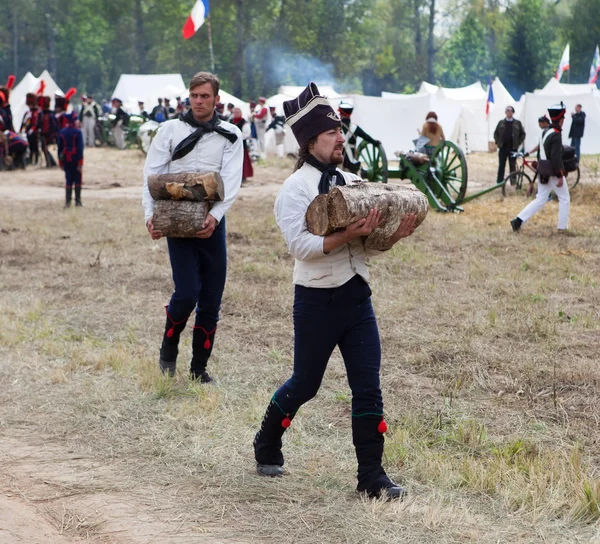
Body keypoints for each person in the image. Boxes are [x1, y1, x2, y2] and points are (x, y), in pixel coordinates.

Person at [252, 82, 417, 501]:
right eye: (333, 133)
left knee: (368, 386)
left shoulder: (353, 182)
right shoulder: (294, 191)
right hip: (316, 302)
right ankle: (267, 441)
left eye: (341, 130)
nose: (342, 137)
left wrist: (392, 234)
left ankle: (371, 477)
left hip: (356, 299)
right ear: (310, 143)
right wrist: (346, 234)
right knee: (305, 384)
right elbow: (301, 248)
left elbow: (368, 243)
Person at [142, 71, 243, 381]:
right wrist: (151, 215)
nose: (199, 101)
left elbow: (232, 180)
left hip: (213, 223)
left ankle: (199, 369)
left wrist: (215, 217)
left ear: (216, 99)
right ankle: (168, 351)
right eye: (194, 95)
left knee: (211, 300)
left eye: (205, 96)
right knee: (187, 293)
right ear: (188, 96)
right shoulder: (169, 130)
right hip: (177, 222)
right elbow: (152, 174)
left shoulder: (231, 134)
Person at [510, 103, 570, 232]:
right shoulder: (556, 134)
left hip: (543, 170)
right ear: (560, 119)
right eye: (563, 118)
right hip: (552, 171)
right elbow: (555, 157)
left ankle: (518, 220)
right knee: (564, 198)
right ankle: (562, 227)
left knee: (541, 199)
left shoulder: (545, 132)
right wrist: (560, 175)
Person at [338, 102, 381, 175]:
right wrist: (375, 142)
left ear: (341, 114)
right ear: (350, 114)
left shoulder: (336, 126)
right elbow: (366, 137)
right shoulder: (355, 128)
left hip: (338, 161)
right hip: (351, 163)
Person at [57, 112, 84, 207]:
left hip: (66, 159)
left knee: (68, 179)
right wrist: (80, 162)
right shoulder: (78, 132)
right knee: (77, 179)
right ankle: (78, 201)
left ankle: (68, 202)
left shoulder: (62, 132)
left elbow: (59, 148)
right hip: (76, 158)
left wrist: (60, 162)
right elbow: (80, 149)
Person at [494, 106, 525, 184]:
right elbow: (496, 133)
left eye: (511, 111)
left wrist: (518, 143)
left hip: (513, 148)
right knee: (501, 165)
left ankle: (513, 181)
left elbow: (523, 134)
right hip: (503, 148)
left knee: (512, 166)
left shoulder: (517, 123)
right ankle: (500, 182)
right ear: (505, 112)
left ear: (513, 112)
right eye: (507, 110)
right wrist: (498, 142)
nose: (509, 112)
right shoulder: (501, 122)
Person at [231, 107, 253, 182]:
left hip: (242, 145)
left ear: (241, 113)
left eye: (238, 112)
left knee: (243, 161)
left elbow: (247, 134)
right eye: (235, 112)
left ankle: (243, 176)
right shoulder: (231, 121)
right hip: (232, 145)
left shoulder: (244, 122)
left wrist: (238, 138)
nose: (236, 114)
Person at [38, 95, 58, 167]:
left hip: (47, 134)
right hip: (46, 133)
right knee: (44, 149)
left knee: (45, 148)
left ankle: (50, 163)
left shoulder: (44, 114)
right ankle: (50, 162)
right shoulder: (50, 113)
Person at [21, 93, 41, 165]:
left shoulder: (37, 112)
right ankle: (31, 160)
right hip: (28, 132)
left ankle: (36, 160)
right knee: (30, 147)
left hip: (34, 132)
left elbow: (37, 123)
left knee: (35, 147)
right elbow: (24, 122)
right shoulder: (28, 112)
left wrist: (32, 130)